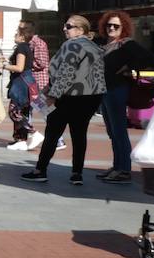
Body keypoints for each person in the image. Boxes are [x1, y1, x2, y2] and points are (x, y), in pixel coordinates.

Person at [22, 15, 107, 187]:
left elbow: (66, 72)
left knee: (53, 132)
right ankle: (77, 173)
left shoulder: (72, 45)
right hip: (91, 98)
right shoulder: (95, 47)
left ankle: (40, 170)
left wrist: (52, 94)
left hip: (69, 96)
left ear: (80, 30)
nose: (64, 29)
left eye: (68, 26)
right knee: (79, 134)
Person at [96, 9, 154, 183]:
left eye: (116, 25)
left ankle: (124, 170)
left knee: (119, 130)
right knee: (111, 131)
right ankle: (117, 166)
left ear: (124, 27)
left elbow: (150, 58)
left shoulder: (126, 44)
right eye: (109, 25)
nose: (111, 28)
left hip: (117, 90)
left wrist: (129, 69)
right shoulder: (105, 44)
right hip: (104, 91)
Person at [4, 22, 39, 150]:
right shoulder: (26, 47)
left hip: (21, 82)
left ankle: (33, 132)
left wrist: (3, 66)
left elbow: (19, 67)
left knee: (14, 111)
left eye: (17, 33)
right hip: (26, 81)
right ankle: (21, 140)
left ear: (23, 36)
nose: (15, 35)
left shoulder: (21, 48)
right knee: (22, 111)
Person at [27, 26, 51, 150]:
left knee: (45, 111)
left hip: (39, 83)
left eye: (21, 28)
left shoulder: (39, 44)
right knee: (28, 110)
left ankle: (58, 139)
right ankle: (30, 136)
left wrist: (25, 63)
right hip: (32, 82)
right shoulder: (31, 43)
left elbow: (42, 62)